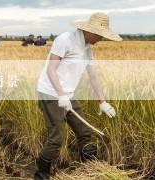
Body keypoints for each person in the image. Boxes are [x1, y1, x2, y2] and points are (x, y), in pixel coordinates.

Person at [35, 12, 122, 179]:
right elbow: (50, 70)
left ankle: (90, 169)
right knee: (56, 138)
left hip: (67, 95)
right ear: (91, 32)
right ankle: (41, 175)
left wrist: (102, 101)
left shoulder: (87, 48)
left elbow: (93, 75)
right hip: (51, 93)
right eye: (101, 35)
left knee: (84, 132)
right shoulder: (65, 40)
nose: (101, 39)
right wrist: (61, 95)